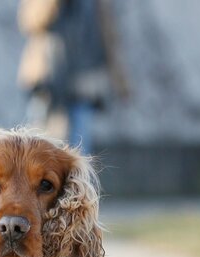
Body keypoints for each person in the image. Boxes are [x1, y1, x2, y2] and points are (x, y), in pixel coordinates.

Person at [17, 0, 129, 154]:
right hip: (48, 82)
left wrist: (120, 79)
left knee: (79, 151)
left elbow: (107, 35)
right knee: (38, 148)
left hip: (83, 84)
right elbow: (31, 21)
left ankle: (75, 177)